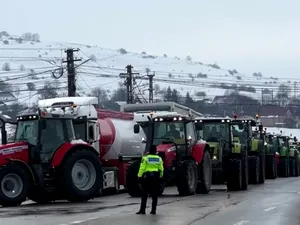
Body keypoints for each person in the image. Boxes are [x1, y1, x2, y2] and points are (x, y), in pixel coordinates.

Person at [136, 145, 164, 215]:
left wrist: (139, 176)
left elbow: (142, 168)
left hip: (147, 178)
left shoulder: (145, 158)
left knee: (144, 194)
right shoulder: (159, 158)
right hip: (155, 178)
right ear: (155, 150)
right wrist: (160, 177)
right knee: (154, 195)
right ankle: (153, 211)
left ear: (149, 150)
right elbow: (161, 169)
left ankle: (142, 210)